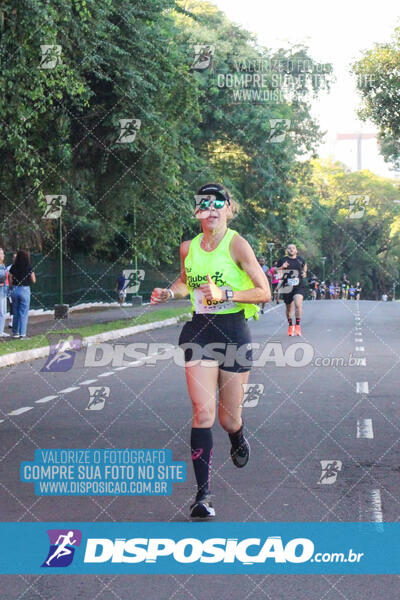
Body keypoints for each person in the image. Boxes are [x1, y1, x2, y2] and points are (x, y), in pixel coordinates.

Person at [151, 182, 270, 519]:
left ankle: (237, 435)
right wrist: (169, 294)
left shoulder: (238, 245)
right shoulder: (188, 248)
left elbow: (264, 292)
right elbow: (185, 281)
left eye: (219, 203)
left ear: (228, 209)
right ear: (197, 211)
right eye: (204, 204)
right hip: (200, 331)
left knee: (228, 417)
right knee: (202, 412)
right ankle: (202, 495)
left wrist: (227, 294)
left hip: (233, 331)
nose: (211, 209)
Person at [274, 243, 307, 336]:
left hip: (298, 286)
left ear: (296, 250)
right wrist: (282, 267)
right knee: (289, 309)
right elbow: (275, 271)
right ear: (287, 250)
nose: (291, 249)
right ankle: (290, 325)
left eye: (293, 248)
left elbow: (305, 268)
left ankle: (297, 325)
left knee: (298, 304)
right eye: (289, 248)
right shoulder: (283, 260)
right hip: (287, 287)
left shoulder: (300, 260)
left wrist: (304, 273)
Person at [9, 250, 36, 339]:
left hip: (15, 289)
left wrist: (11, 286)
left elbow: (10, 278)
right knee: (23, 313)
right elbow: (34, 280)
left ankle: (15, 332)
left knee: (15, 312)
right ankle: (22, 334)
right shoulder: (28, 267)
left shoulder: (13, 266)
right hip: (24, 290)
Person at [0, 248, 9, 338]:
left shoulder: (2, 265)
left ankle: (1, 331)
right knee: (2, 312)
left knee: (3, 312)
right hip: (1, 291)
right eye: (2, 253)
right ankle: (0, 331)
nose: (3, 255)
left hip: (3, 291)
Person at [6, 252, 16, 329]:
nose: (15, 259)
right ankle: (12, 321)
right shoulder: (9, 268)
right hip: (11, 290)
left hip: (20, 290)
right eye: (14, 257)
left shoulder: (23, 267)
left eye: (16, 257)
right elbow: (7, 279)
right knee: (12, 305)